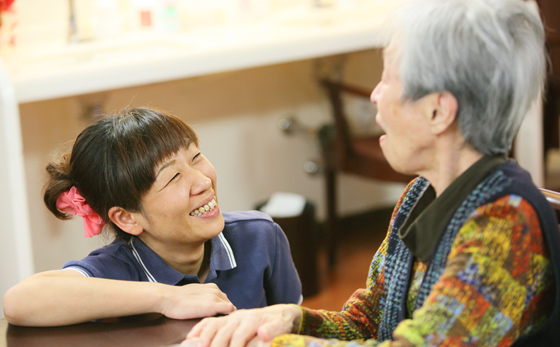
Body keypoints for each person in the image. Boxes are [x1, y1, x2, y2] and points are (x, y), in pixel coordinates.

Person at [181, 0, 560, 346]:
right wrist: (290, 319)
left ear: (438, 112)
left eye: (389, 79)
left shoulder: (506, 227)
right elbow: (368, 323)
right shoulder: (420, 195)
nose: (376, 94)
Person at [2, 107, 302, 327]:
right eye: (173, 178)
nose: (202, 181)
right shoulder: (117, 269)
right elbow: (19, 302)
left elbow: (297, 326)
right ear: (127, 218)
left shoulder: (260, 236)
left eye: (196, 157)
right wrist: (168, 298)